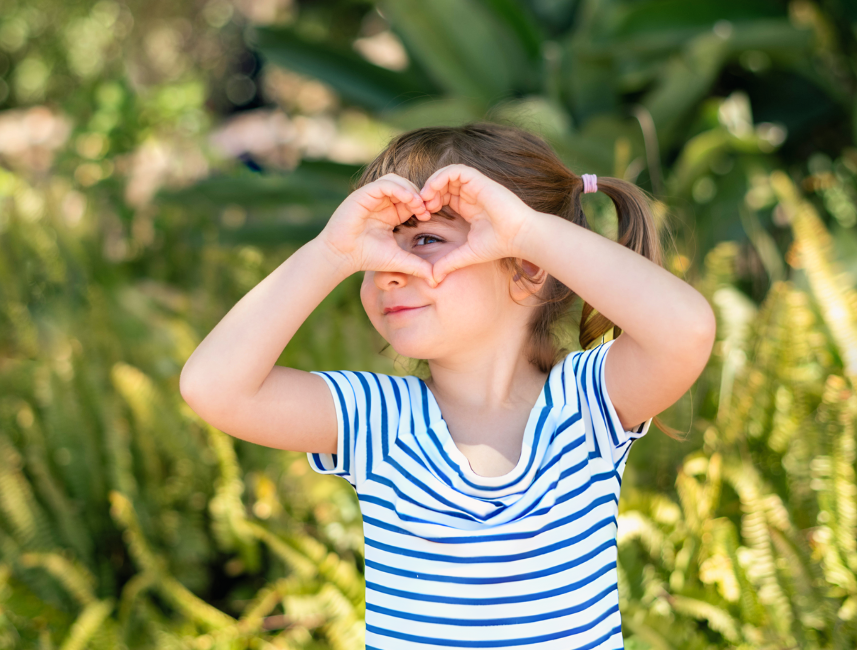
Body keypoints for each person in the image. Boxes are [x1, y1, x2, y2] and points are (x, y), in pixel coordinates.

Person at [179, 122, 716, 649]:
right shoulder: (378, 420)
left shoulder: (585, 407)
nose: (389, 269)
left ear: (528, 266)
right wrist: (330, 253)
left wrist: (529, 230)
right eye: (378, 250)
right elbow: (214, 387)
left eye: (426, 240)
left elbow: (686, 331)